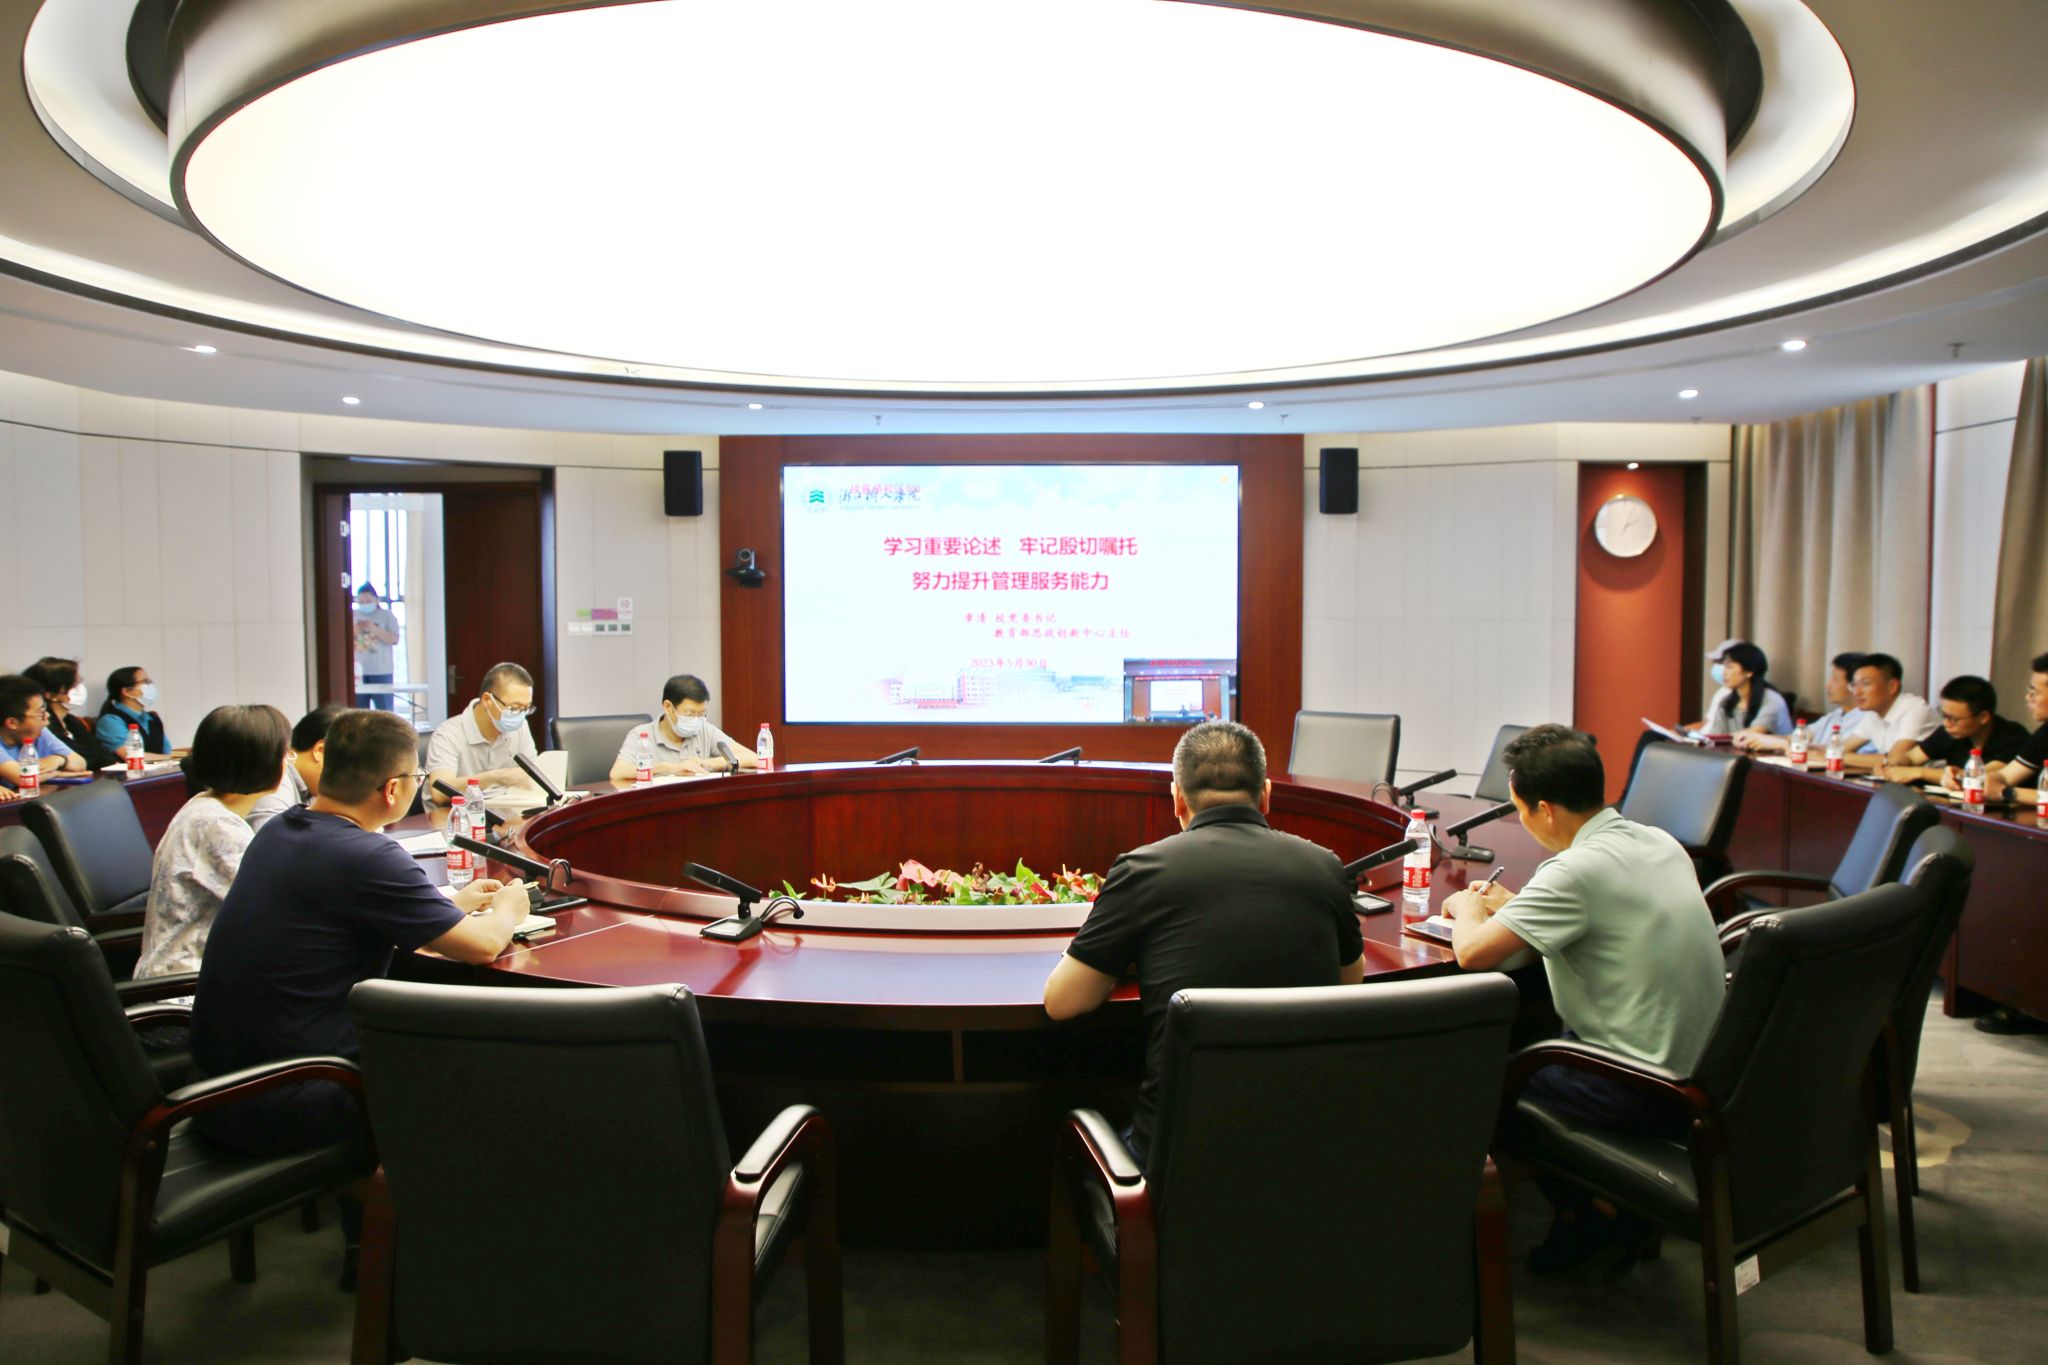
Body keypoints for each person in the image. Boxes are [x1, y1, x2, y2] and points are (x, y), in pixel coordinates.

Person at [1446, 723, 1724, 1274]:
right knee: (1532, 1033)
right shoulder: (1658, 841)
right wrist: (1521, 905)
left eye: (1520, 811)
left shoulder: (1573, 871)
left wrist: (1466, 909)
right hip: (1705, 1068)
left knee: (1480, 1085)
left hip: (1640, 1086)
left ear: (1545, 810)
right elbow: (1601, 911)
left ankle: (1590, 1215)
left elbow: (1472, 954)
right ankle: (1608, 1207)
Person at [191, 708, 531, 1158]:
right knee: (484, 1067)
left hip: (219, 1086)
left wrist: (449, 908)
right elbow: (483, 946)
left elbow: (343, 916)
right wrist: (508, 908)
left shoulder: (280, 828)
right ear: (392, 789)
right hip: (292, 1093)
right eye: (417, 776)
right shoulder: (367, 855)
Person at [1042, 720, 1364, 1166]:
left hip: (1179, 1164)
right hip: (1309, 1154)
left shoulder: (1143, 870)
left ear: (1177, 798)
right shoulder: (1326, 867)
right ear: (1266, 795)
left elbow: (1063, 1002)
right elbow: (1350, 983)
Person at [135, 705, 291, 979]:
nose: (287, 762)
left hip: (209, 972)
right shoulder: (216, 826)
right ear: (261, 762)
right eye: (283, 754)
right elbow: (279, 908)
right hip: (187, 985)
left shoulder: (205, 806)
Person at [1945, 650, 2048, 1035]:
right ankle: (2021, 998)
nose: (2028, 697)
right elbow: (2007, 776)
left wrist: (2006, 794)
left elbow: (2010, 791)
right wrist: (1966, 776)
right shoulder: (2044, 733)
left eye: (2036, 690)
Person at [1879, 675, 2030, 784]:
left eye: (1953, 718)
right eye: (1944, 715)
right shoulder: (1950, 731)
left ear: (1983, 717)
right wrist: (1893, 764)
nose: (1946, 723)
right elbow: (1912, 757)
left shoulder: (2013, 737)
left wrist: (1919, 772)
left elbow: (1982, 776)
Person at [607, 673, 758, 780]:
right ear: (668, 707)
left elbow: (753, 758)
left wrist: (705, 764)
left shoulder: (704, 730)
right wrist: (669, 768)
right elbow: (617, 773)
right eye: (690, 714)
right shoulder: (642, 735)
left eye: (701, 714)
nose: (696, 720)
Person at [425, 661, 539, 802]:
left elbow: (533, 776)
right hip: (456, 813)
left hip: (502, 809)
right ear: (487, 700)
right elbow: (439, 793)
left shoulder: (520, 728)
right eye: (514, 708)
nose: (520, 715)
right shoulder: (448, 734)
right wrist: (495, 777)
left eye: (526, 708)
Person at [1734, 651, 1873, 755]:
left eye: (1835, 679)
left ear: (1854, 684)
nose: (1828, 685)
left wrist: (1781, 744)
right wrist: (1759, 738)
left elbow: (1836, 752)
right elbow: (1798, 737)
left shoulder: (1866, 718)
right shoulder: (1836, 715)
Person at [247, 703, 346, 831]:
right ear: (320, 751)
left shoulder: (310, 788)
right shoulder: (276, 779)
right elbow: (271, 837)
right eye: (350, 762)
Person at [1838, 653, 1941, 771]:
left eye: (1866, 684)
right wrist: (1838, 755)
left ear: (1892, 686)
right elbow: (1841, 749)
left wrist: (1842, 757)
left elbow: (1895, 760)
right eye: (1854, 685)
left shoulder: (1916, 709)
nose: (1856, 692)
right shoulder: (1873, 713)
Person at [23, 657, 119, 771]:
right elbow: (82, 758)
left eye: (79, 681)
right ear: (50, 694)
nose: (79, 688)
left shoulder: (72, 721)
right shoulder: (44, 724)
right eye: (74, 684)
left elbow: (102, 755)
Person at [1, 672, 89, 788]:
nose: (47, 716)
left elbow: (80, 763)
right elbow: (24, 778)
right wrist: (57, 773)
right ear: (12, 723)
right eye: (40, 713)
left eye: (45, 710)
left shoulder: (38, 732)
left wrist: (59, 759)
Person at [1693, 641, 1793, 737]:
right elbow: (1716, 737)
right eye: (1724, 667)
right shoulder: (1726, 702)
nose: (1724, 672)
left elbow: (1752, 735)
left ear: (1748, 672)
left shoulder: (1772, 700)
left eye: (1730, 667)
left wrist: (1721, 740)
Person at [95, 665, 176, 757]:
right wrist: (169, 758)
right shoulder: (111, 721)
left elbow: (167, 751)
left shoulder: (152, 718)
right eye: (145, 682)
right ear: (126, 691)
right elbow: (132, 756)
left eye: (150, 682)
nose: (150, 686)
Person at [351, 584, 401, 711]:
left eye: (368, 601)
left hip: (381, 671)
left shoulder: (386, 615)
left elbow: (394, 639)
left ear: (376, 600)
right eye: (361, 602)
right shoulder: (353, 615)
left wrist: (373, 628)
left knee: (384, 710)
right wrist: (356, 629)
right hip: (359, 672)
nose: (365, 604)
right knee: (359, 711)